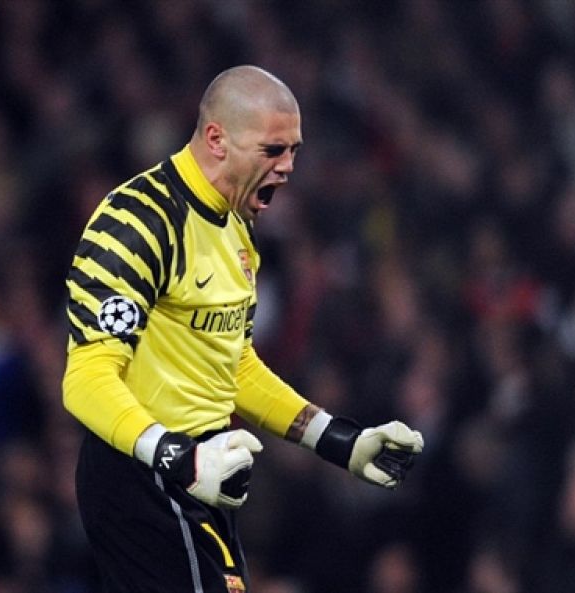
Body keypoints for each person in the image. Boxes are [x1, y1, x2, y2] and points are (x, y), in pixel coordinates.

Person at [61, 65, 424, 593]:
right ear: (217, 139)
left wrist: (338, 441)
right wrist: (178, 458)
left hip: (207, 474)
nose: (288, 167)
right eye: (273, 150)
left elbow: (234, 365)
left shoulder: (237, 227)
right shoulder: (136, 223)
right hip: (144, 476)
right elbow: (85, 379)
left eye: (294, 150)